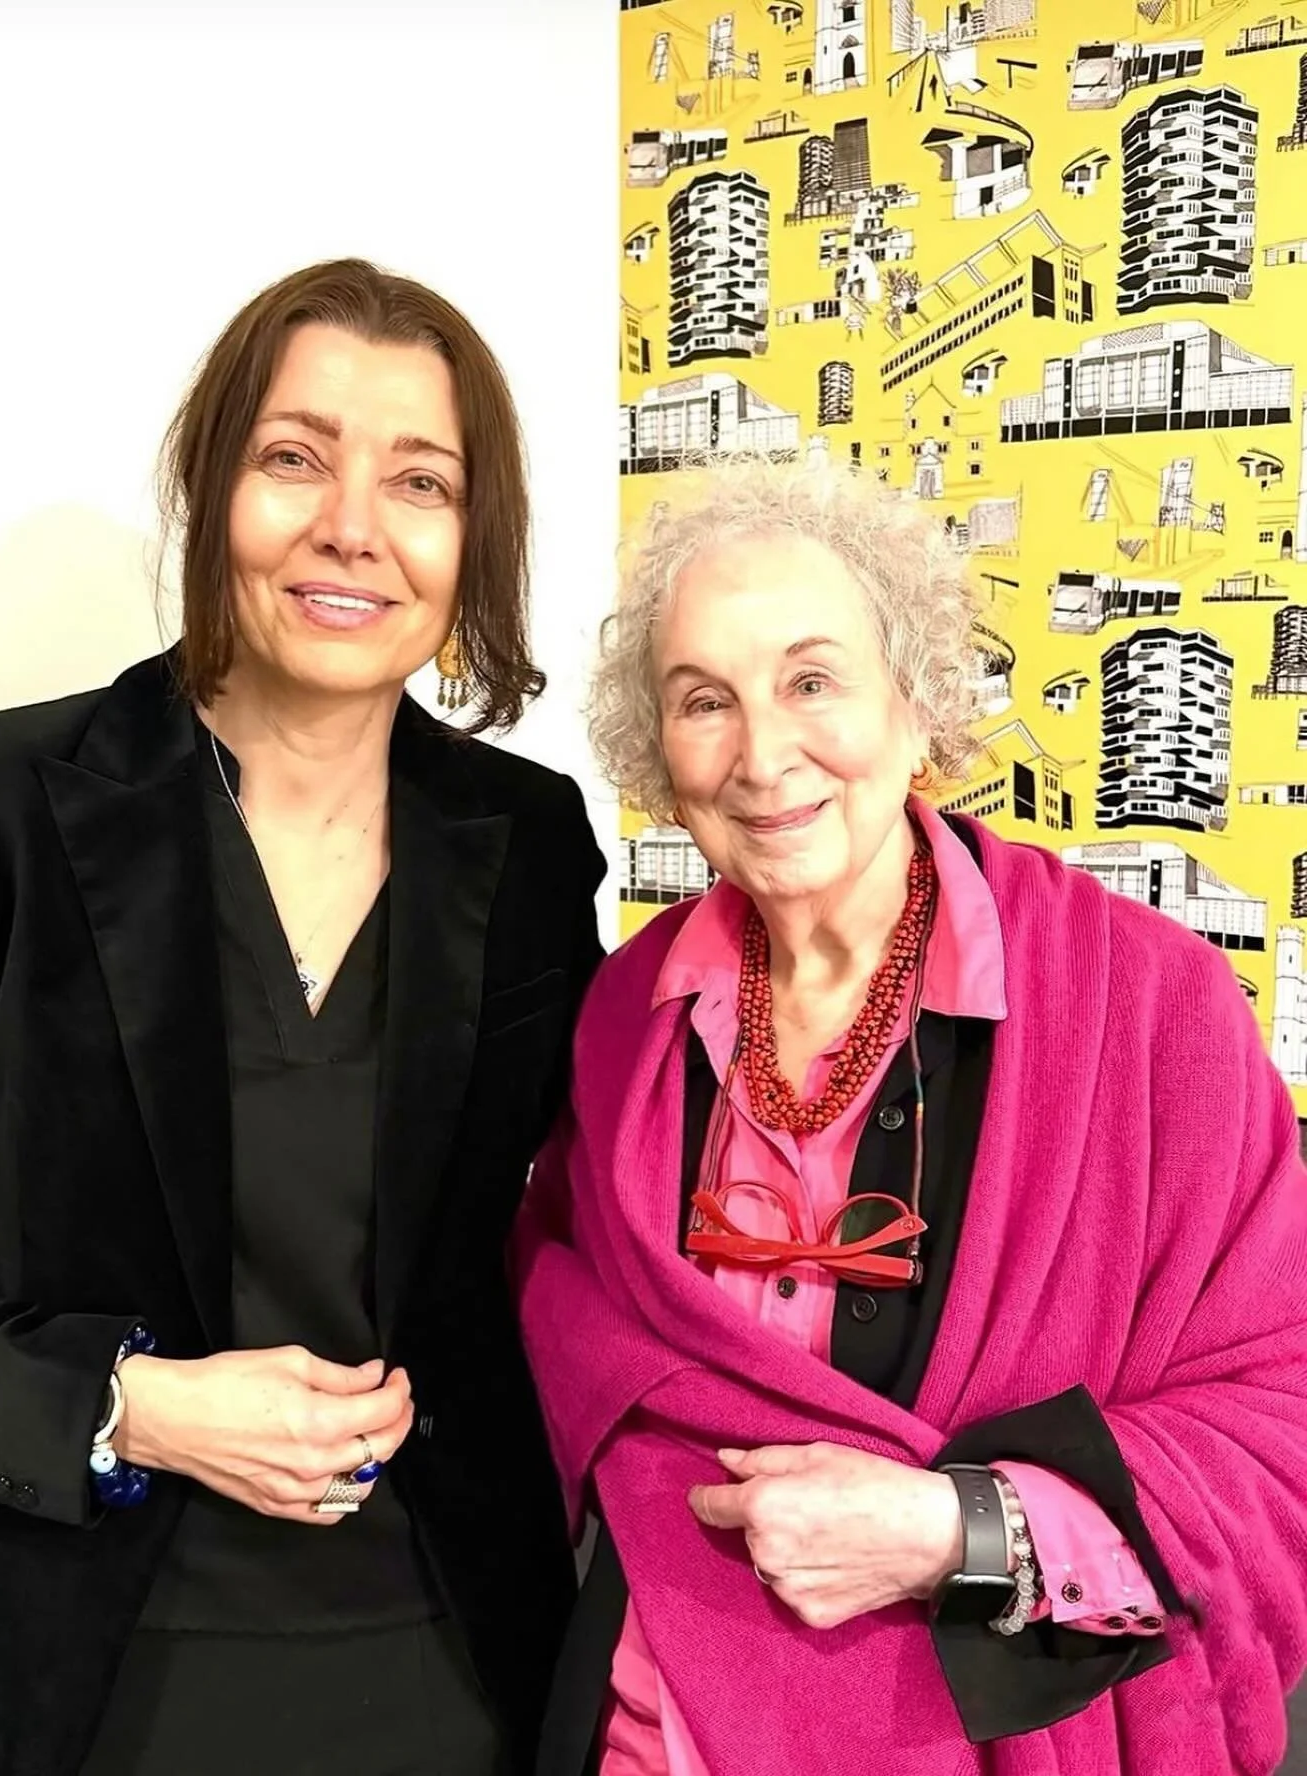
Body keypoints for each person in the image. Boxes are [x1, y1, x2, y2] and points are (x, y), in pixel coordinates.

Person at [0, 258, 605, 1776]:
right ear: (214, 491)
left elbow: (579, 1223)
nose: (353, 525)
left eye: (421, 480)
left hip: (446, 1654)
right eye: (295, 458)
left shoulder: (528, 842)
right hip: (74, 1663)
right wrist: (129, 1408)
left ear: (474, 546)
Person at [515, 452, 1307, 1776]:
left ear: (916, 703)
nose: (764, 754)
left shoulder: (1158, 1012)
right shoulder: (626, 1020)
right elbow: (564, 1335)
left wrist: (959, 1532)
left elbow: (1283, 1454)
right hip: (650, 1739)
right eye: (703, 701)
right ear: (657, 752)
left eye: (812, 681)